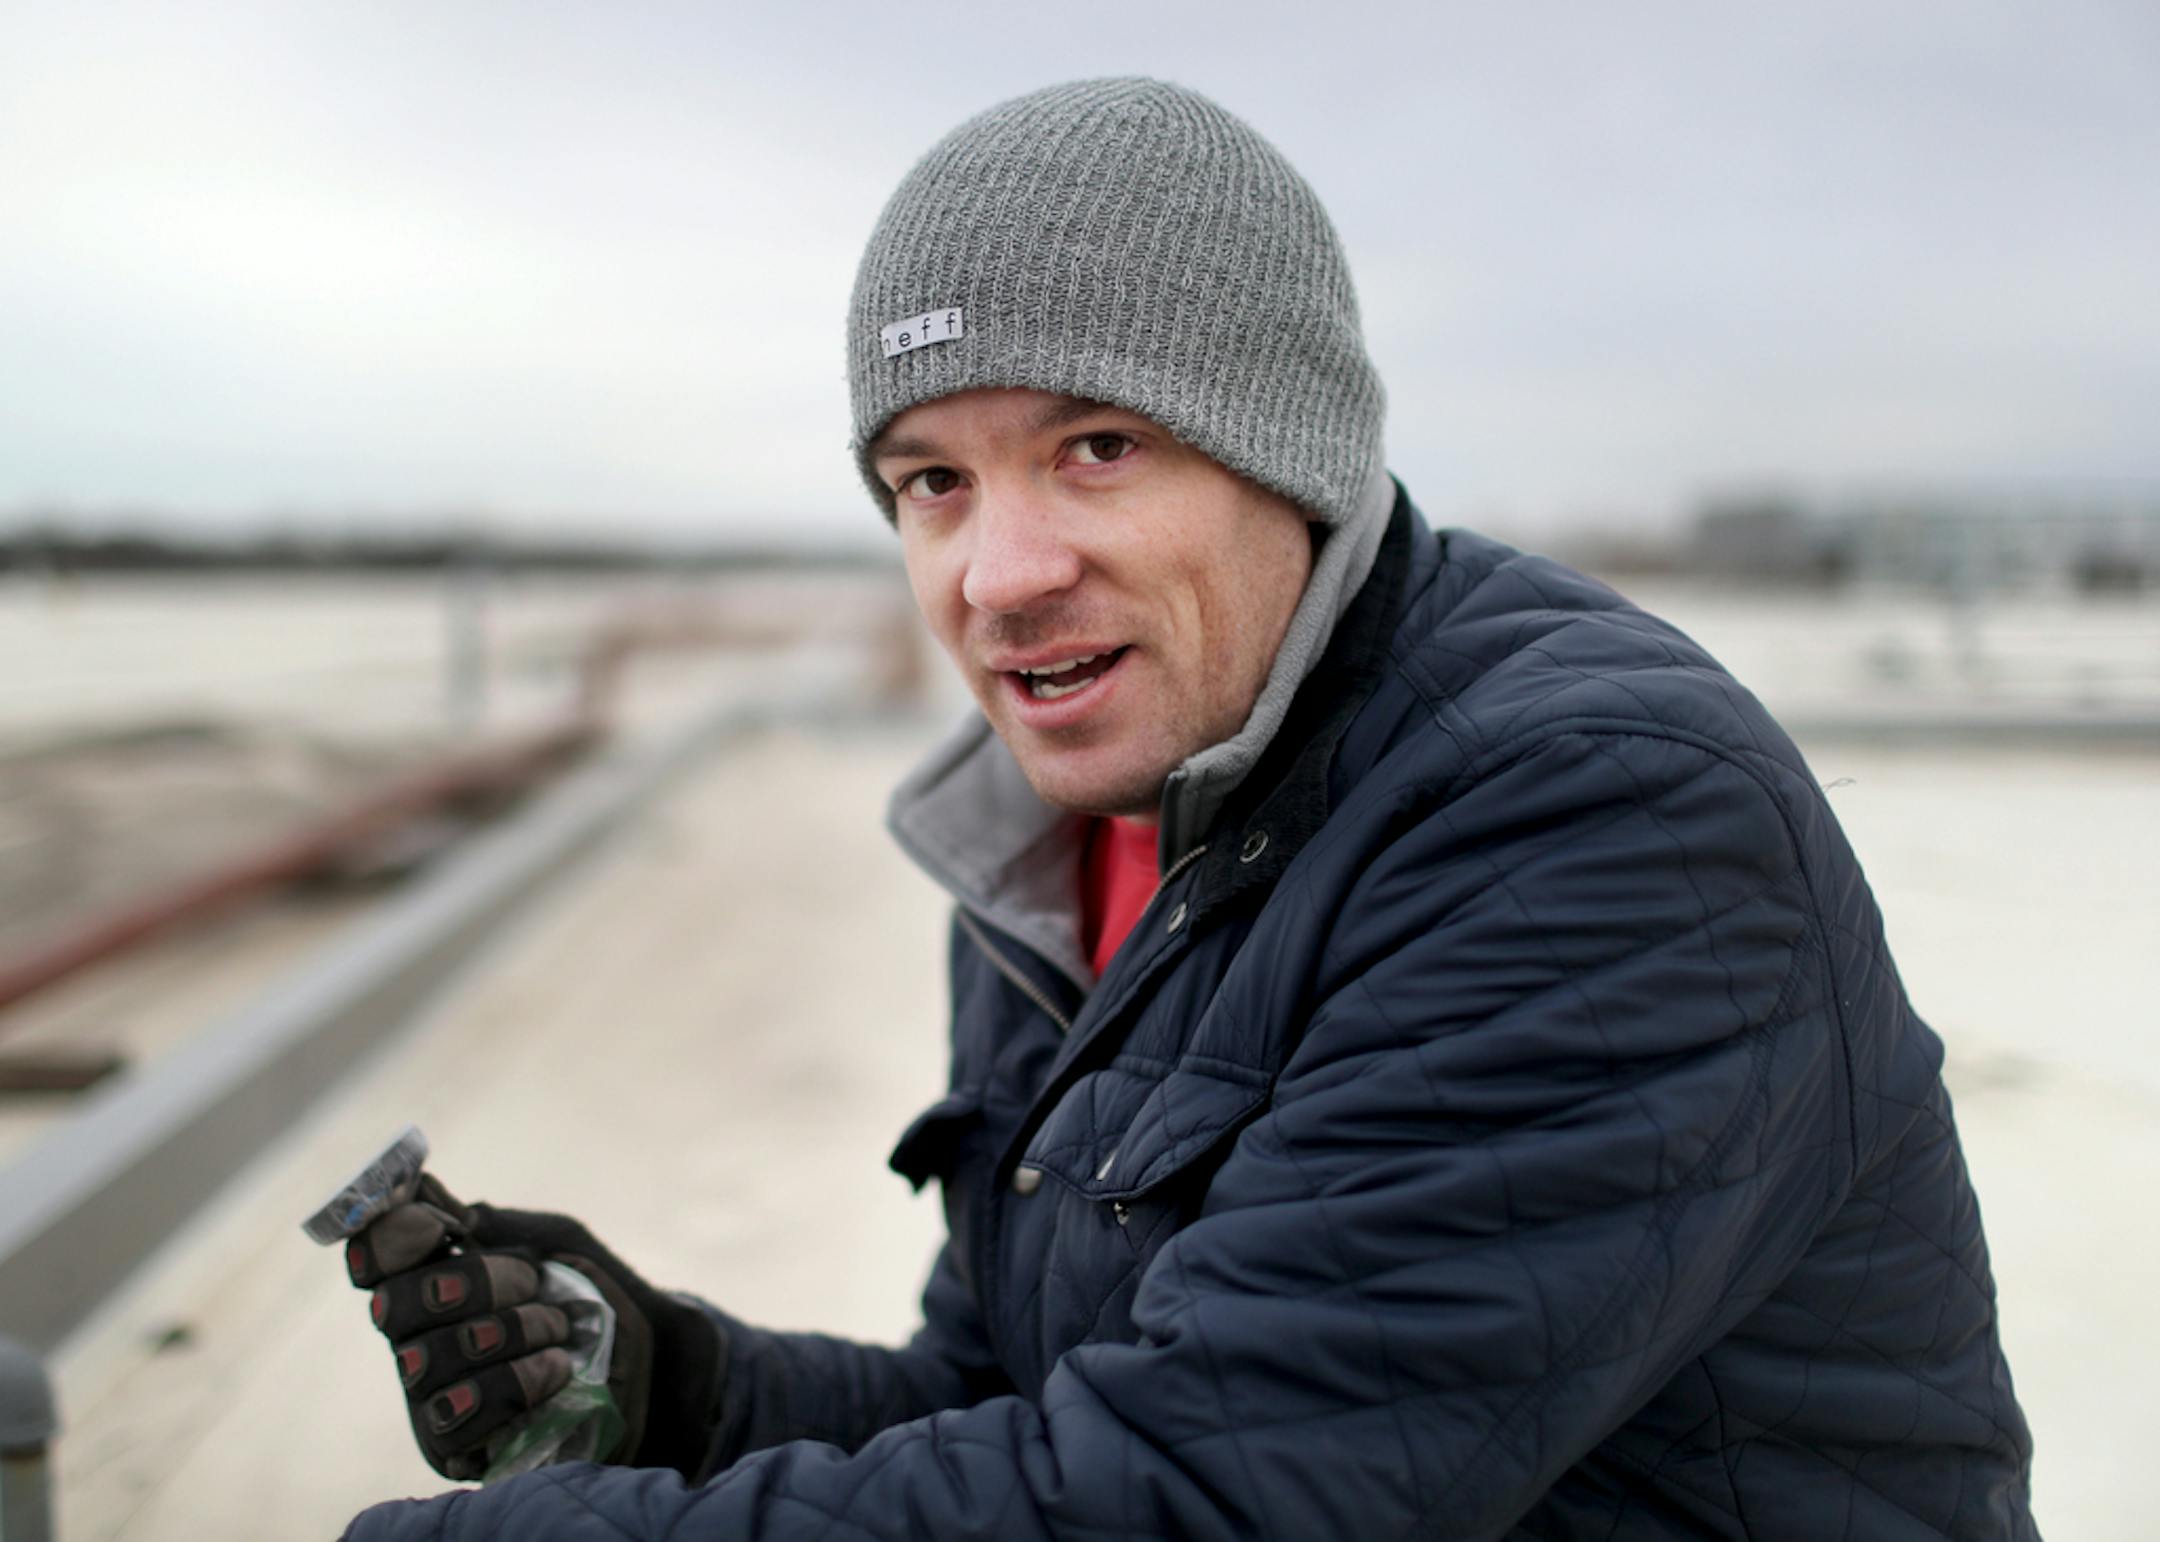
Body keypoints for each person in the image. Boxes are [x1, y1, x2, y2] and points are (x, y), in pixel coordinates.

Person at [341, 77, 2038, 1540]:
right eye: (933, 480)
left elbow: (1201, 1498)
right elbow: (1027, 1397)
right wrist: (692, 1390)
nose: (999, 574)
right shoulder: (1067, 837)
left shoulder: (1595, 818)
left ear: (1283, 451)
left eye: (1093, 447)